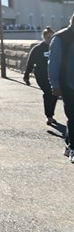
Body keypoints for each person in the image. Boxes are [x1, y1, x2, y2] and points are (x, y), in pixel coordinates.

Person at [48, 13, 74, 160]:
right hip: (68, 84)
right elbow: (53, 63)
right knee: (73, 116)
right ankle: (72, 148)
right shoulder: (60, 38)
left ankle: (68, 145)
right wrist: (55, 85)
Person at [24, 27, 58, 126]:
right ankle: (49, 116)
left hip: (53, 74)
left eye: (52, 37)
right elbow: (30, 62)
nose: (50, 40)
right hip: (41, 75)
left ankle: (51, 114)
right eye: (48, 37)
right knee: (48, 93)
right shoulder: (38, 49)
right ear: (43, 37)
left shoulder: (56, 48)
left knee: (55, 95)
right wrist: (26, 75)